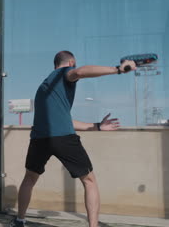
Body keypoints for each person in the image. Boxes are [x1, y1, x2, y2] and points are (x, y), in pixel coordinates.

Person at [10, 51, 136, 227]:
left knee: (29, 178)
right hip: (63, 138)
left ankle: (19, 221)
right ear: (71, 62)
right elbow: (80, 72)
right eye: (74, 65)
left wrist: (97, 126)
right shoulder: (65, 73)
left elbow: (64, 120)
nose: (74, 69)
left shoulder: (44, 87)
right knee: (89, 181)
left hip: (39, 139)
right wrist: (118, 70)